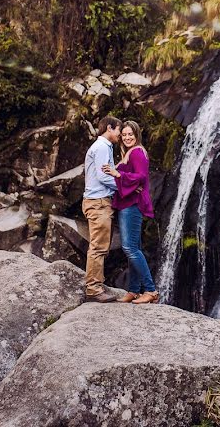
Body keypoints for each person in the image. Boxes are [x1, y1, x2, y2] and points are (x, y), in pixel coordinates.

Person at [102, 120, 159, 304]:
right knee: (135, 248)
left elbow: (141, 176)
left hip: (132, 205)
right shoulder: (128, 153)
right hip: (128, 203)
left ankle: (150, 290)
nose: (127, 137)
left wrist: (119, 174)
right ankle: (134, 290)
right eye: (124, 134)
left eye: (130, 134)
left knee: (129, 248)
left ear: (137, 134)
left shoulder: (137, 152)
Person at [82, 115, 122, 302]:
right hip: (98, 202)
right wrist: (124, 185)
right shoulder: (102, 147)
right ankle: (93, 289)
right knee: (98, 246)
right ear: (109, 128)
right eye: (118, 130)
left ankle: (96, 283)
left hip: (98, 200)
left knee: (100, 245)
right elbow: (103, 176)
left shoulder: (102, 147)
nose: (120, 134)